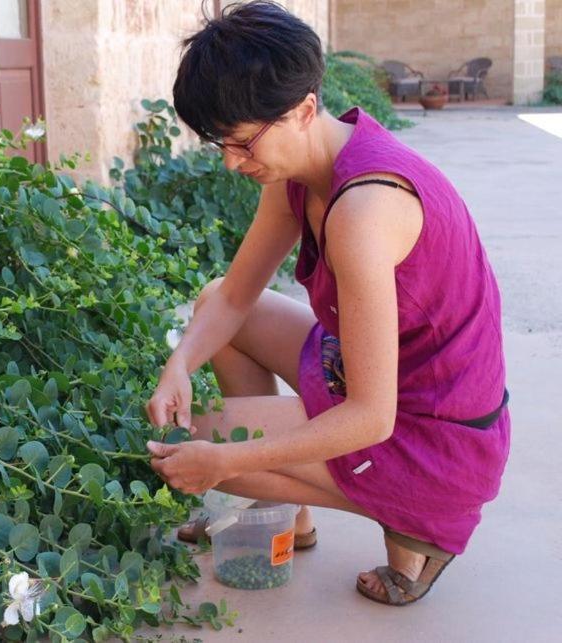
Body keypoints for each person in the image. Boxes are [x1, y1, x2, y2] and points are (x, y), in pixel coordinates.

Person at [144, 1, 510, 606]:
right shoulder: (301, 168)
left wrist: (225, 461)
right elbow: (235, 296)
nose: (234, 164)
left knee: (193, 446)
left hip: (435, 439)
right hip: (382, 375)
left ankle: (415, 524)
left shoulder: (364, 212)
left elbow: (372, 416)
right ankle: (285, 512)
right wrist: (179, 362)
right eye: (221, 146)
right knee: (213, 306)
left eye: (243, 144)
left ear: (305, 108)